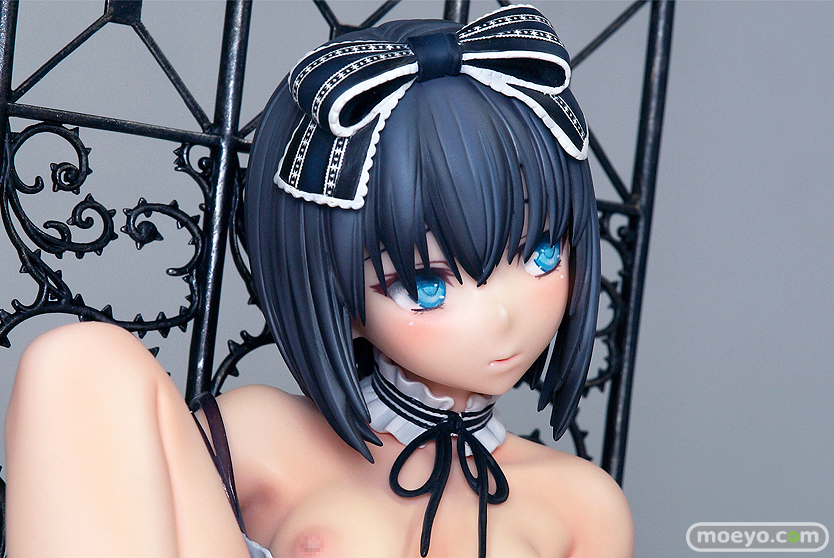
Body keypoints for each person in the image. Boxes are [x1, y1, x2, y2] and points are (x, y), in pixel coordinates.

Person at [5, 5, 633, 558]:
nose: (503, 317)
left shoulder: (581, 503)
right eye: (427, 286)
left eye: (542, 255)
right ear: (340, 296)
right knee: (81, 361)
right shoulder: (262, 437)